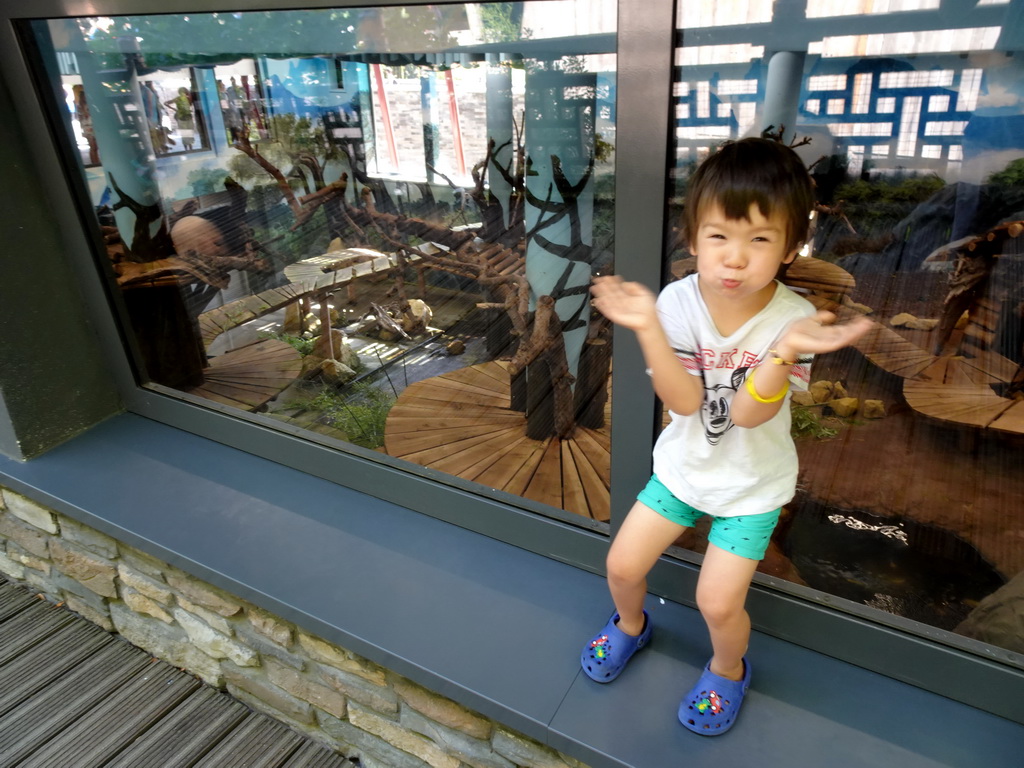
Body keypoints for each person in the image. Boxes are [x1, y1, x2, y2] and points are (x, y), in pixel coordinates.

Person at [580, 137, 872, 736]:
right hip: (683, 472)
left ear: (792, 246)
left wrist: (785, 351)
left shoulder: (794, 321)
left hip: (751, 487)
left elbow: (746, 416)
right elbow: (685, 401)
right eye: (719, 236)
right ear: (693, 240)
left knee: (717, 603)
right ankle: (631, 627)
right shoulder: (678, 301)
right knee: (622, 565)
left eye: (759, 239)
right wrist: (645, 328)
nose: (734, 258)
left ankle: (727, 668)